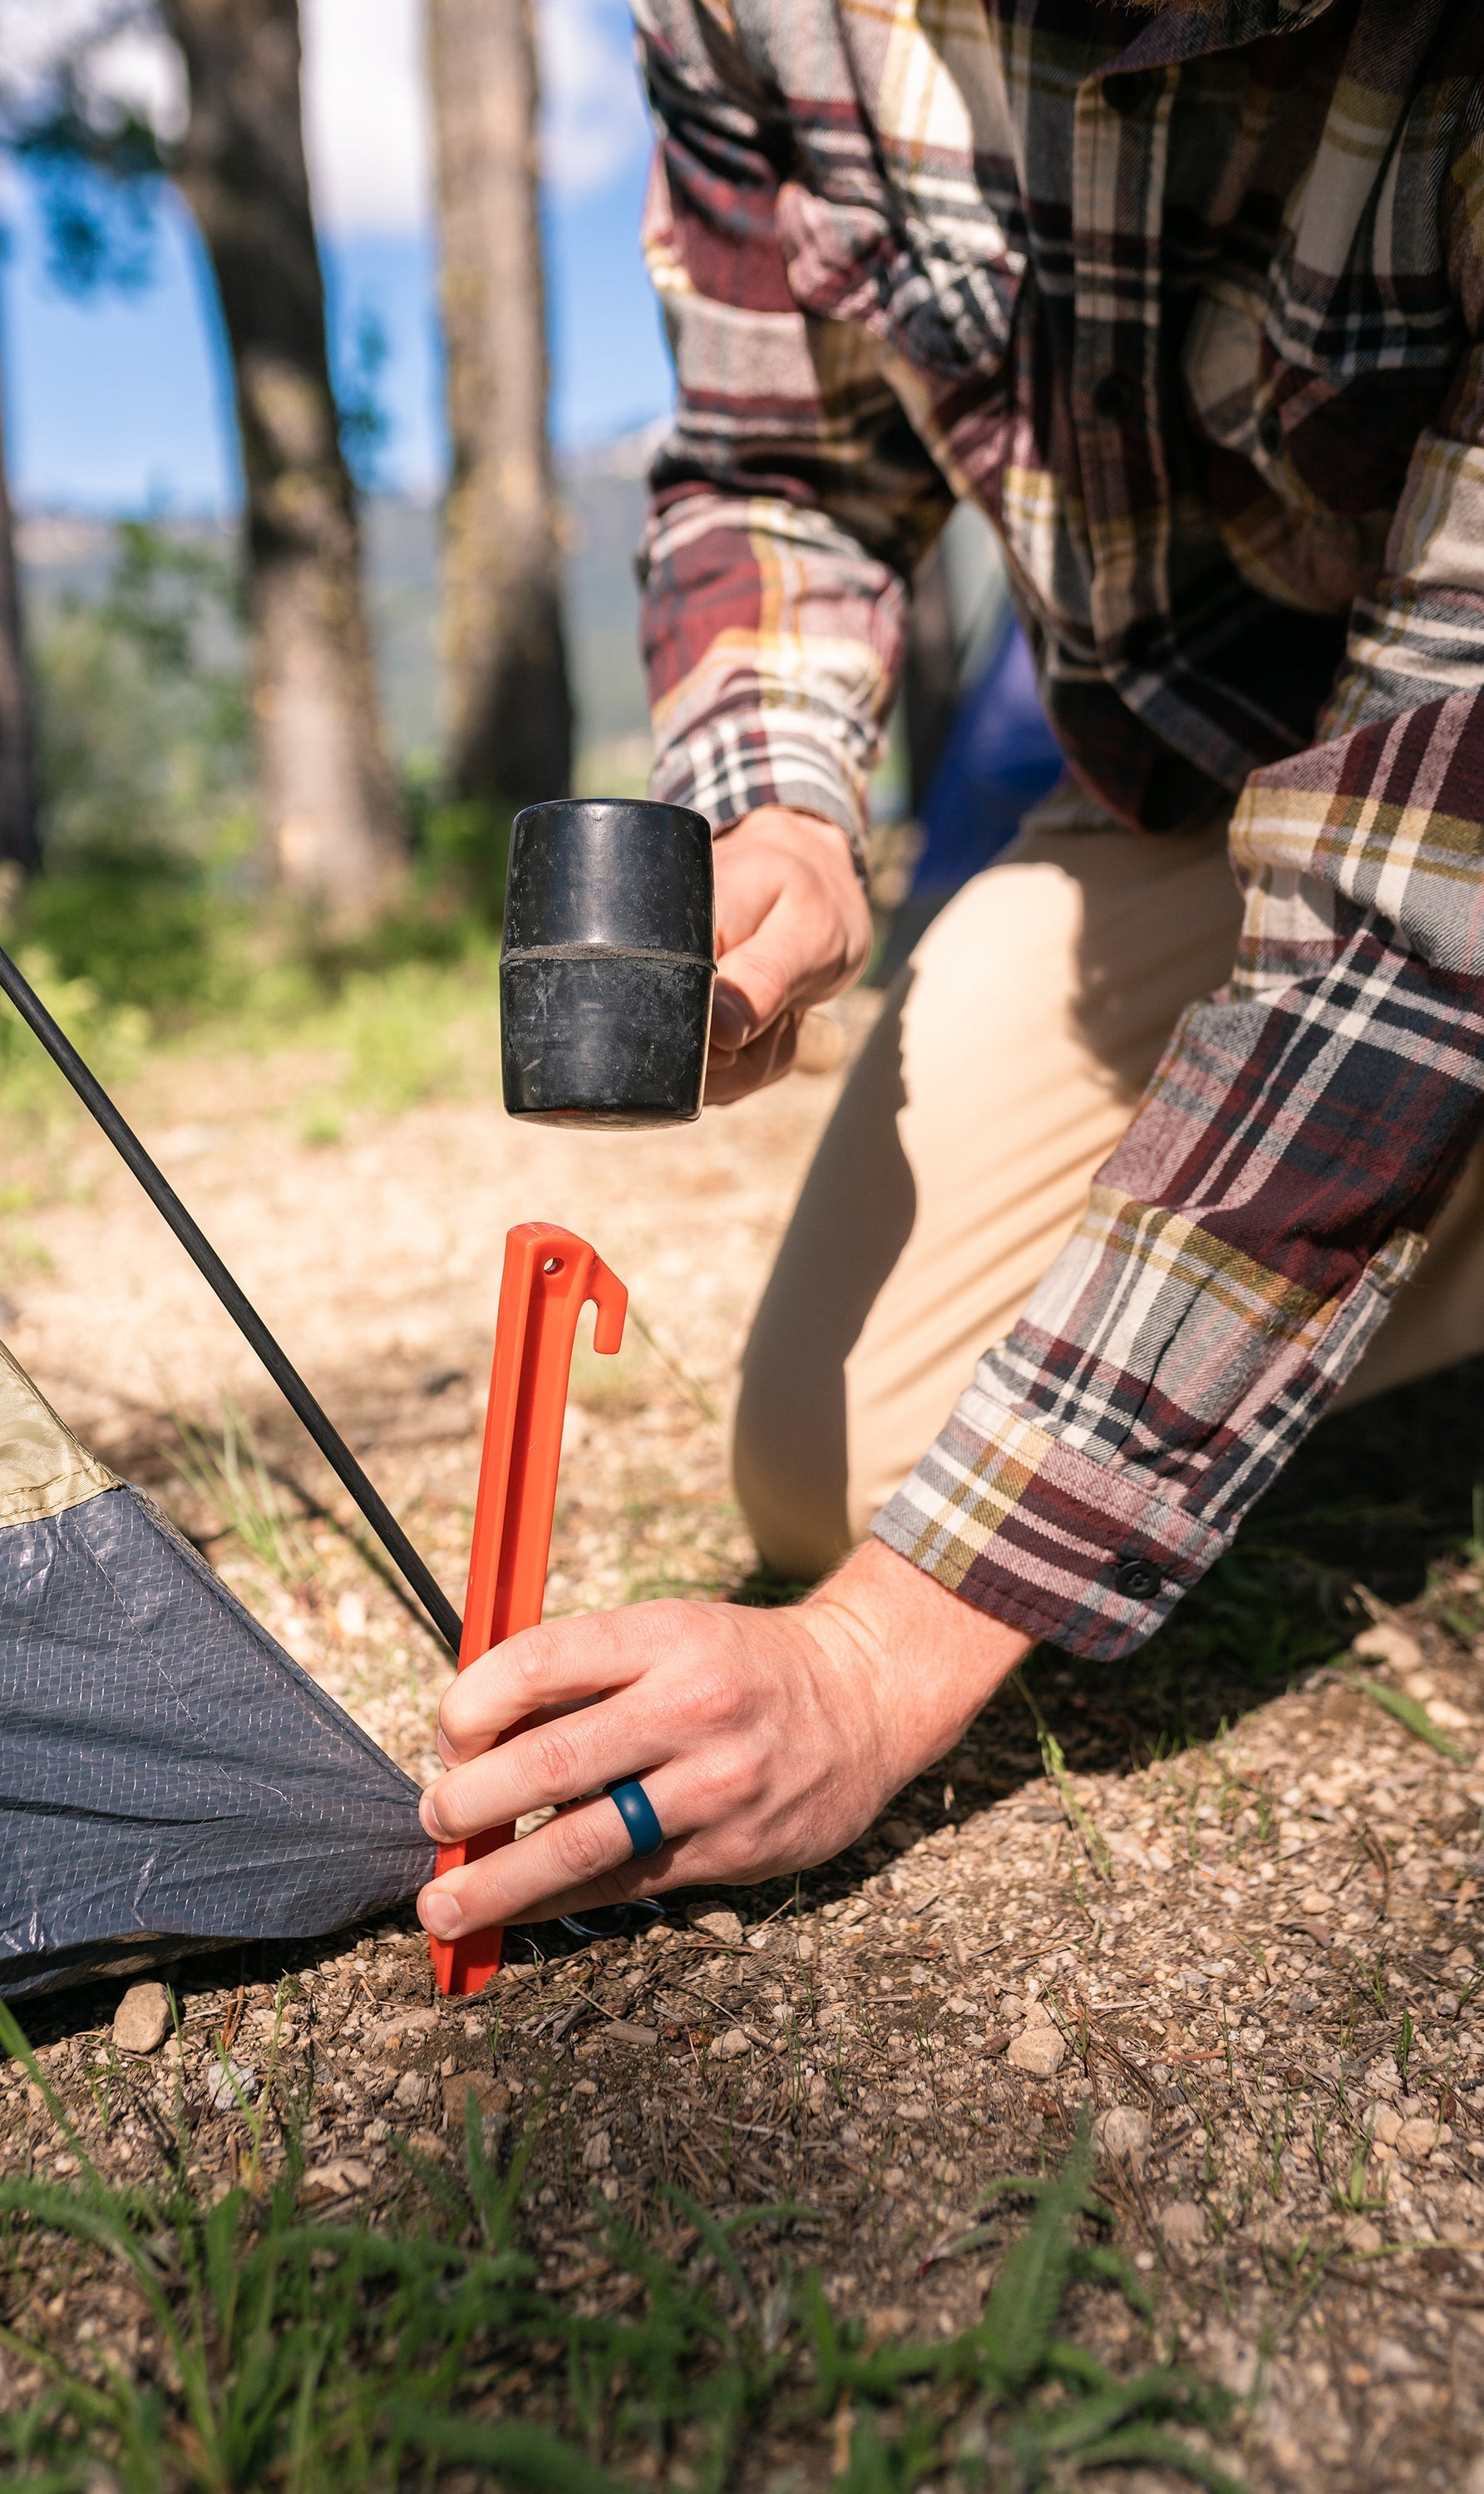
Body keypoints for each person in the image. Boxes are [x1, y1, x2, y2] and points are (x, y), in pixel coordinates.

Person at [415, 0, 1484, 1949]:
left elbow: (1425, 903)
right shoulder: (754, 15)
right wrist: (788, 815)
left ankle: (1387, 1181)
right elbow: (779, 465)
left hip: (1446, 790)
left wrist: (873, 1667)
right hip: (1215, 771)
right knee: (839, 1472)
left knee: (929, 1557)